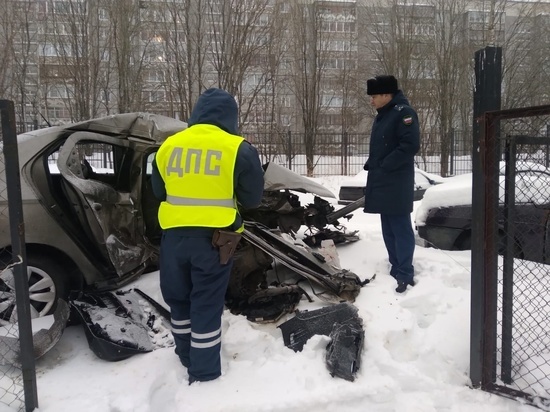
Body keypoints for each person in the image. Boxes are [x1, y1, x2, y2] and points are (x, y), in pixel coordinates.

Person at [151, 88, 264, 383]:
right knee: (206, 302)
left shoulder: (168, 146)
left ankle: (185, 355)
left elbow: (157, 192)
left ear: (196, 113)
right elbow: (252, 199)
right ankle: (203, 371)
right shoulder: (238, 147)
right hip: (216, 241)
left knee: (179, 299)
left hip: (174, 239)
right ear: (231, 117)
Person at [363, 75, 420, 293]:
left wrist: (385, 164)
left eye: (374, 96)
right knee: (388, 227)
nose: (372, 101)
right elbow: (385, 145)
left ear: (387, 95)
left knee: (400, 227)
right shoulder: (384, 115)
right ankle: (395, 267)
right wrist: (373, 163)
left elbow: (409, 145)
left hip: (396, 181)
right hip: (383, 179)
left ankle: (405, 272)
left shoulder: (403, 113)